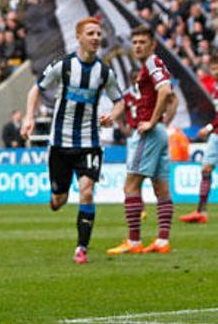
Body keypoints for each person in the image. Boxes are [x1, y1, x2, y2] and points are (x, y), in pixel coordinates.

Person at [21, 17, 123, 264]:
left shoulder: (104, 72)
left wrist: (113, 116)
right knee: (60, 200)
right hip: (60, 143)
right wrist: (29, 117)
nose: (96, 38)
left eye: (99, 33)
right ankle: (56, 197)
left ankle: (81, 248)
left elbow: (119, 100)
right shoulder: (63, 66)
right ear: (79, 37)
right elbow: (36, 89)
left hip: (89, 142)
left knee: (86, 191)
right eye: (91, 33)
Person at [106, 25, 176, 255]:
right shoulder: (151, 65)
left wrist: (153, 121)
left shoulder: (152, 63)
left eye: (142, 42)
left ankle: (134, 242)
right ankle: (162, 241)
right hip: (159, 134)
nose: (137, 46)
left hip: (148, 133)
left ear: (152, 44)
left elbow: (166, 91)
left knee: (131, 185)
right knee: (161, 188)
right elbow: (165, 92)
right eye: (135, 42)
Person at [180, 57, 218, 224]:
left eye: (217, 68)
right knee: (206, 169)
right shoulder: (214, 88)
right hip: (216, 134)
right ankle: (201, 211)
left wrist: (209, 128)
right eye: (213, 68)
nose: (215, 71)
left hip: (214, 131)